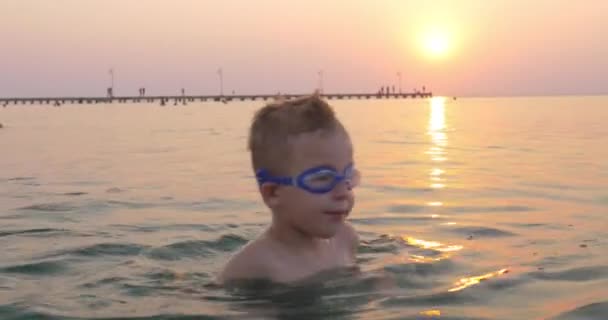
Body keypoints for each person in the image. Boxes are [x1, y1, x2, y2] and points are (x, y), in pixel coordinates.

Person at [217, 93, 360, 285]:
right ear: (273, 193)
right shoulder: (253, 267)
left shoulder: (346, 239)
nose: (343, 193)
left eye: (348, 176)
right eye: (323, 178)